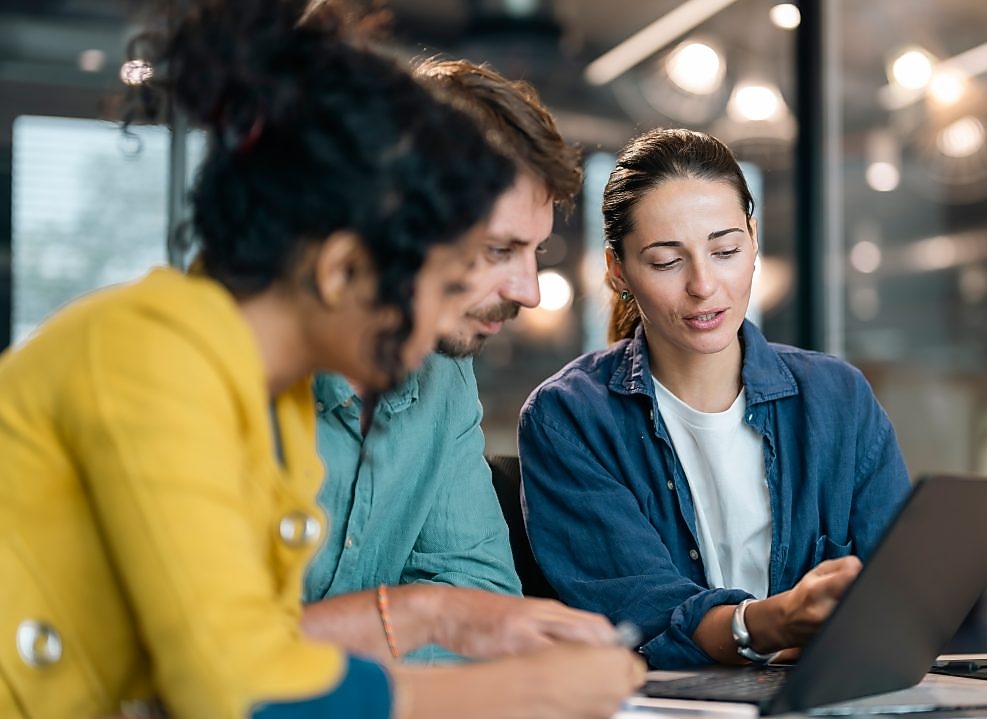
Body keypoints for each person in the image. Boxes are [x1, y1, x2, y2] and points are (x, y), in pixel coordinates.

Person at [0, 2, 640, 717]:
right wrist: (526, 690)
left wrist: (449, 615)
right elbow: (244, 693)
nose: (441, 316)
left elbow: (269, 643)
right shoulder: (150, 357)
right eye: (435, 280)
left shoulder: (267, 401)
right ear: (341, 271)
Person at [518, 128, 913, 670]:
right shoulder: (569, 418)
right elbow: (642, 617)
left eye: (725, 249)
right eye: (665, 262)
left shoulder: (839, 399)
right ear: (618, 271)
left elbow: (900, 602)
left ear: (753, 241)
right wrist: (775, 624)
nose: (704, 285)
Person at [301, 58, 604, 663]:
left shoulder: (443, 377)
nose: (531, 291)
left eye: (535, 251)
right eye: (499, 249)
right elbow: (220, 661)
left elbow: (486, 599)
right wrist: (424, 616)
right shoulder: (222, 373)